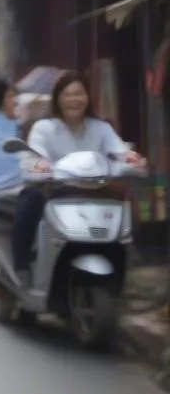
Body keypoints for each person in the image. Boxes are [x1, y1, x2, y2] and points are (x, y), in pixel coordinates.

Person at [11, 72, 144, 282]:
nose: (74, 99)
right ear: (58, 99)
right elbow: (35, 155)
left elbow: (119, 149)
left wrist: (130, 157)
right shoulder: (44, 128)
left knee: (125, 206)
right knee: (29, 200)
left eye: (79, 94)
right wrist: (40, 165)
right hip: (55, 189)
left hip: (94, 191)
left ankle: (126, 258)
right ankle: (22, 265)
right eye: (68, 94)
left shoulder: (101, 127)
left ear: (88, 98)